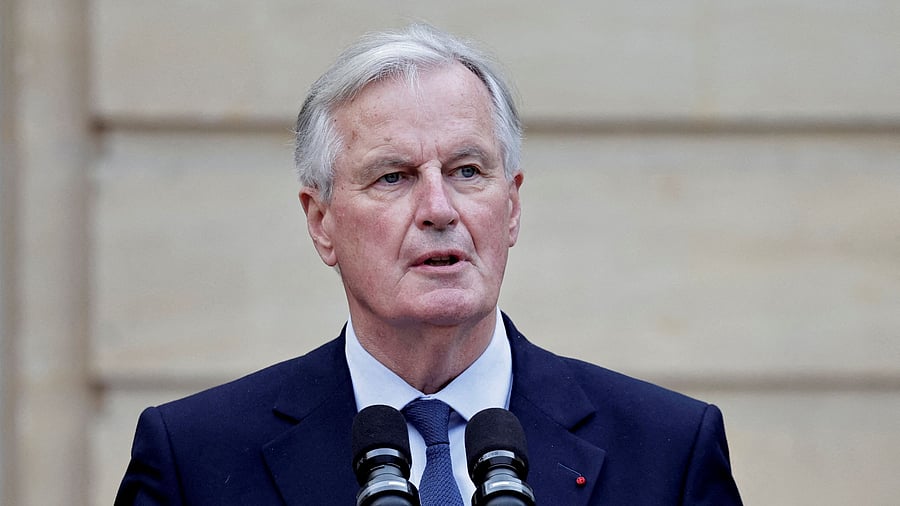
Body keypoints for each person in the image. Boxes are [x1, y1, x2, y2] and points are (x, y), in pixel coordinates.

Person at [115, 24, 742, 505]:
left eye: (468, 171)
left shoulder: (668, 451)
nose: (439, 208)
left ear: (513, 206)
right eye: (394, 177)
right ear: (321, 222)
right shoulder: (194, 460)